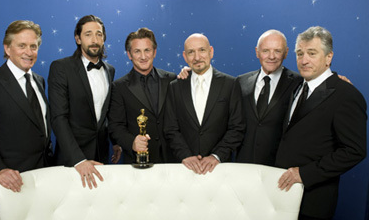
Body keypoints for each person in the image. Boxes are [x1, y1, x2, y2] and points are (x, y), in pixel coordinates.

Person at [276, 26, 367, 220]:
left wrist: (304, 174)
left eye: (312, 53)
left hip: (314, 202)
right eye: (299, 53)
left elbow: (354, 150)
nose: (304, 60)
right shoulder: (297, 86)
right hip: (283, 196)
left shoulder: (346, 95)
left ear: (329, 57)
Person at [0, 20, 53, 192]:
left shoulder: (39, 81)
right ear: (7, 49)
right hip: (14, 181)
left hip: (46, 176)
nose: (29, 52)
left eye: (33, 46)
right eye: (21, 45)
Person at [48, 15, 121, 189]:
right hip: (71, 160)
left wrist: (116, 141)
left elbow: (106, 112)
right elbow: (58, 118)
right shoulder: (61, 68)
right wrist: (78, 160)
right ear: (78, 38)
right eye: (88, 34)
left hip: (101, 157)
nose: (94, 40)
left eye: (99, 34)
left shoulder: (109, 70)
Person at [164, 33, 245, 174]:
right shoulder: (175, 87)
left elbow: (237, 127)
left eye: (202, 50)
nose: (196, 57)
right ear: (184, 56)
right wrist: (186, 155)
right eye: (191, 52)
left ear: (211, 51)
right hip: (184, 168)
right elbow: (170, 128)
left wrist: (216, 156)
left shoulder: (230, 84)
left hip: (220, 168)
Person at [108, 28, 175, 164]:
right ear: (129, 54)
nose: (143, 57)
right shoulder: (119, 87)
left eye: (147, 50)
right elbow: (116, 126)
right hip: (137, 161)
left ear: (154, 52)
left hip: (172, 159)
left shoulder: (172, 80)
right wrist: (132, 142)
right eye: (137, 51)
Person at [235, 30, 302, 166]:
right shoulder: (241, 82)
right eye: (266, 51)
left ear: (286, 52)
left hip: (279, 168)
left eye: (277, 51)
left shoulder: (299, 83)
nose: (271, 56)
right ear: (257, 52)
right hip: (243, 165)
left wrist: (335, 80)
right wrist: (190, 75)